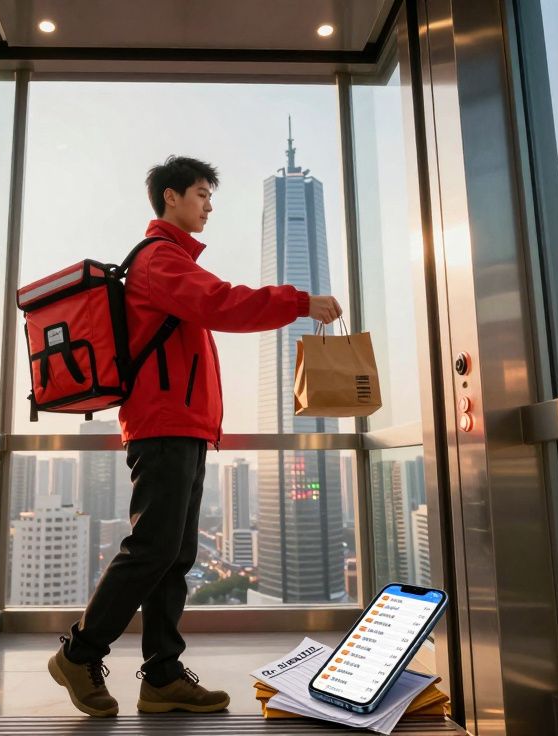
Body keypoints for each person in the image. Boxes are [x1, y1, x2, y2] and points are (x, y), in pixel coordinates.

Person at [47, 155, 342, 717]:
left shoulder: (171, 261)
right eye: (202, 194)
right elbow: (222, 302)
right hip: (163, 424)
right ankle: (79, 653)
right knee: (153, 548)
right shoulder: (161, 260)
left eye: (210, 196)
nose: (208, 206)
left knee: (174, 555)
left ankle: (161, 676)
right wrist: (299, 302)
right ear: (171, 198)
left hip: (180, 426)